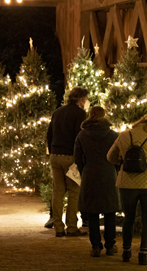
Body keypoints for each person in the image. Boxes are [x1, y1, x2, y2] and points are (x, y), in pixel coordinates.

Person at [107, 112, 147, 265]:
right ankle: (143, 254)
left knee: (129, 218)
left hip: (127, 182)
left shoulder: (124, 135)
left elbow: (110, 156)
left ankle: (126, 252)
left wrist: (121, 160)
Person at [74, 106, 119, 257]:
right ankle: (111, 245)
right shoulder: (113, 135)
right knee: (110, 211)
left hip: (90, 173)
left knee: (92, 212)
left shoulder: (82, 135)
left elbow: (78, 159)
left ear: (90, 115)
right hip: (108, 173)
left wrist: (84, 171)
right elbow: (118, 156)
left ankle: (96, 246)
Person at [47, 86, 89, 237]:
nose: (87, 102)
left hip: (55, 156)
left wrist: (51, 150)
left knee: (57, 191)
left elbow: (49, 134)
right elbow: (80, 137)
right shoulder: (80, 114)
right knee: (73, 191)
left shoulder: (57, 112)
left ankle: (58, 226)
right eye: (86, 99)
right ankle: (71, 226)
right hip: (71, 157)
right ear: (81, 99)